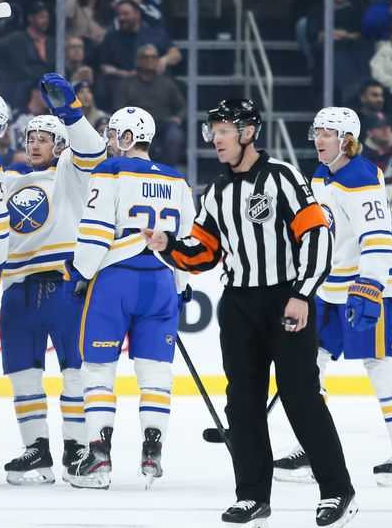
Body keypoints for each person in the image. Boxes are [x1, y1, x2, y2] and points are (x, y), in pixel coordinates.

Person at [143, 99, 356, 527]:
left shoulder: (283, 177)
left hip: (285, 298)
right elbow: (204, 253)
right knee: (242, 404)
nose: (215, 139)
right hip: (238, 304)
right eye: (212, 131)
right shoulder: (217, 191)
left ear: (247, 132)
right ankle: (253, 496)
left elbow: (316, 237)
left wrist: (302, 293)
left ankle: (337, 490)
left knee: (301, 398)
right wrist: (168, 246)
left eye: (223, 130)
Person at [273, 107, 392, 490]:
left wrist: (370, 287)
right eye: (317, 131)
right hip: (330, 286)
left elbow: (376, 239)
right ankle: (310, 446)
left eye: (327, 133)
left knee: (378, 359)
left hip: (364, 285)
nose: (318, 139)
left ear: (346, 140)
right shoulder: (321, 175)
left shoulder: (359, 177)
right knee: (311, 361)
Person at [64, 105, 194, 491]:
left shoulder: (111, 170)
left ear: (129, 136)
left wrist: (81, 271)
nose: (109, 139)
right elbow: (187, 240)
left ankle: (99, 456)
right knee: (155, 372)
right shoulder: (178, 179)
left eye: (115, 133)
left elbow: (97, 226)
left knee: (98, 370)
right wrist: (181, 284)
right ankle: (153, 448)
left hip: (115, 277)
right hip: (160, 281)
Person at [0, 74, 106, 486]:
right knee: (23, 374)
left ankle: (76, 447)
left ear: (60, 145)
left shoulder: (70, 173)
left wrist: (71, 115)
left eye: (45, 136)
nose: (35, 143)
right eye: (31, 137)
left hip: (64, 286)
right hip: (18, 292)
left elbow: (94, 150)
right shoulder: (7, 180)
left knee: (74, 371)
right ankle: (36, 449)